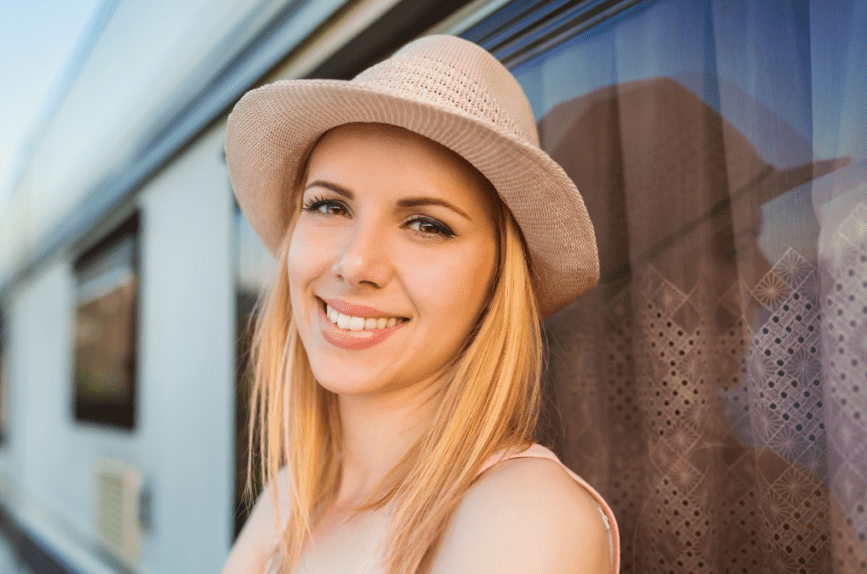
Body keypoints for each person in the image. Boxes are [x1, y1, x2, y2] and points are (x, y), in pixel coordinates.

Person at [220, 34, 620, 574]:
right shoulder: (290, 497)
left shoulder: (522, 518)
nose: (356, 264)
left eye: (426, 224)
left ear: (498, 280)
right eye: (330, 206)